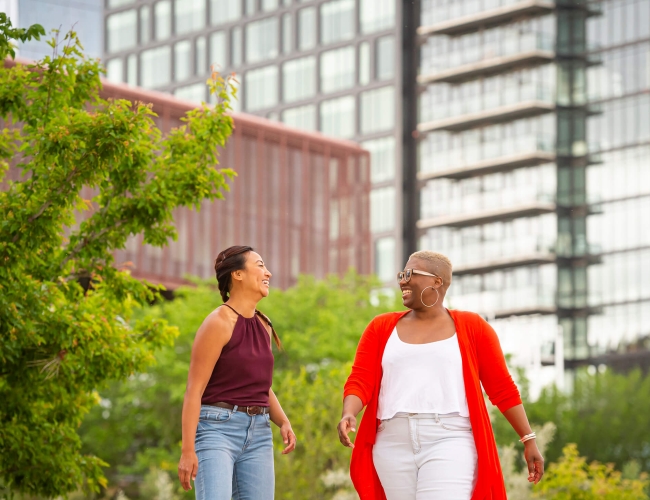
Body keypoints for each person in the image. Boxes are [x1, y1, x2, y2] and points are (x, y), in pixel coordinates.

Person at [337, 250, 544, 500]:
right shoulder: (381, 328)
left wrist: (528, 438)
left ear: (437, 281)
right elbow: (360, 380)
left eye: (410, 274)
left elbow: (502, 389)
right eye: (402, 274)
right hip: (392, 442)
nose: (402, 280)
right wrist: (349, 412)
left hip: (449, 439)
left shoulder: (473, 327)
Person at [177, 245, 296, 500]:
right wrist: (188, 450)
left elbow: (261, 386)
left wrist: (283, 421)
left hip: (260, 434)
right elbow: (194, 390)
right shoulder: (218, 322)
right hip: (216, 430)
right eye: (261, 265)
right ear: (238, 275)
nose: (269, 273)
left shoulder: (263, 325)